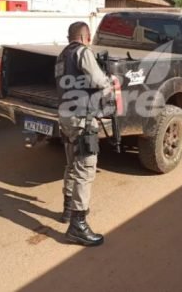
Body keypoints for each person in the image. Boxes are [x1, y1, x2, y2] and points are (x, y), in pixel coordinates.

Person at [54, 21, 112, 246]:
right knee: (85, 170)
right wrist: (110, 83)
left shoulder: (61, 56)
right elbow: (99, 81)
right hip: (82, 119)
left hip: (66, 117)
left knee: (71, 164)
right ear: (86, 36)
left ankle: (68, 210)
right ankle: (77, 226)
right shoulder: (83, 52)